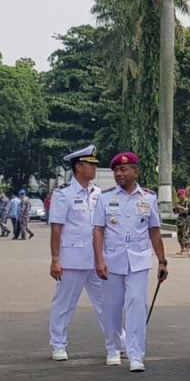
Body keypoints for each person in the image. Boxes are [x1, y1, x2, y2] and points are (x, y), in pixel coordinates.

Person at [92, 152, 168, 372]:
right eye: (116, 170)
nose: (119, 173)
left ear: (136, 171)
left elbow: (154, 231)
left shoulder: (148, 198)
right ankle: (113, 349)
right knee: (112, 306)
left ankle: (136, 355)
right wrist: (99, 261)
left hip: (138, 259)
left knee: (136, 305)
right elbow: (98, 231)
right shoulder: (105, 198)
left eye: (124, 169)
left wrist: (162, 261)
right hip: (112, 259)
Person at [47, 146, 113, 362]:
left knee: (106, 303)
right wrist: (55, 259)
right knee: (65, 304)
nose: (94, 168)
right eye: (90, 164)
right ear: (78, 167)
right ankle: (58, 344)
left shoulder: (98, 194)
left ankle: (115, 342)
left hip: (97, 259)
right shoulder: (63, 194)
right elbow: (56, 228)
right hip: (72, 259)